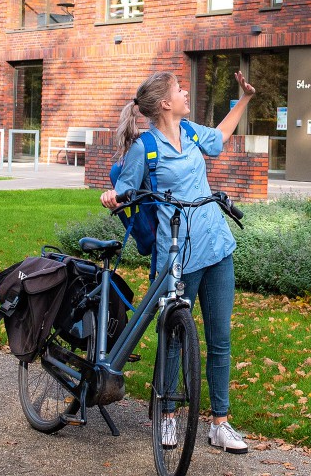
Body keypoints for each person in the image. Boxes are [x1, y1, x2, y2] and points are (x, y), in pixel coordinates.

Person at [98, 70, 255, 454]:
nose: (186, 93)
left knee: (220, 339)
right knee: (173, 339)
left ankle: (220, 423)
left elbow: (218, 139)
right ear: (165, 104)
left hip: (218, 247)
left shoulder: (190, 131)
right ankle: (166, 417)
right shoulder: (146, 147)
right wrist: (112, 195)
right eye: (179, 90)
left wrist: (245, 100)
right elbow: (125, 189)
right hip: (178, 256)